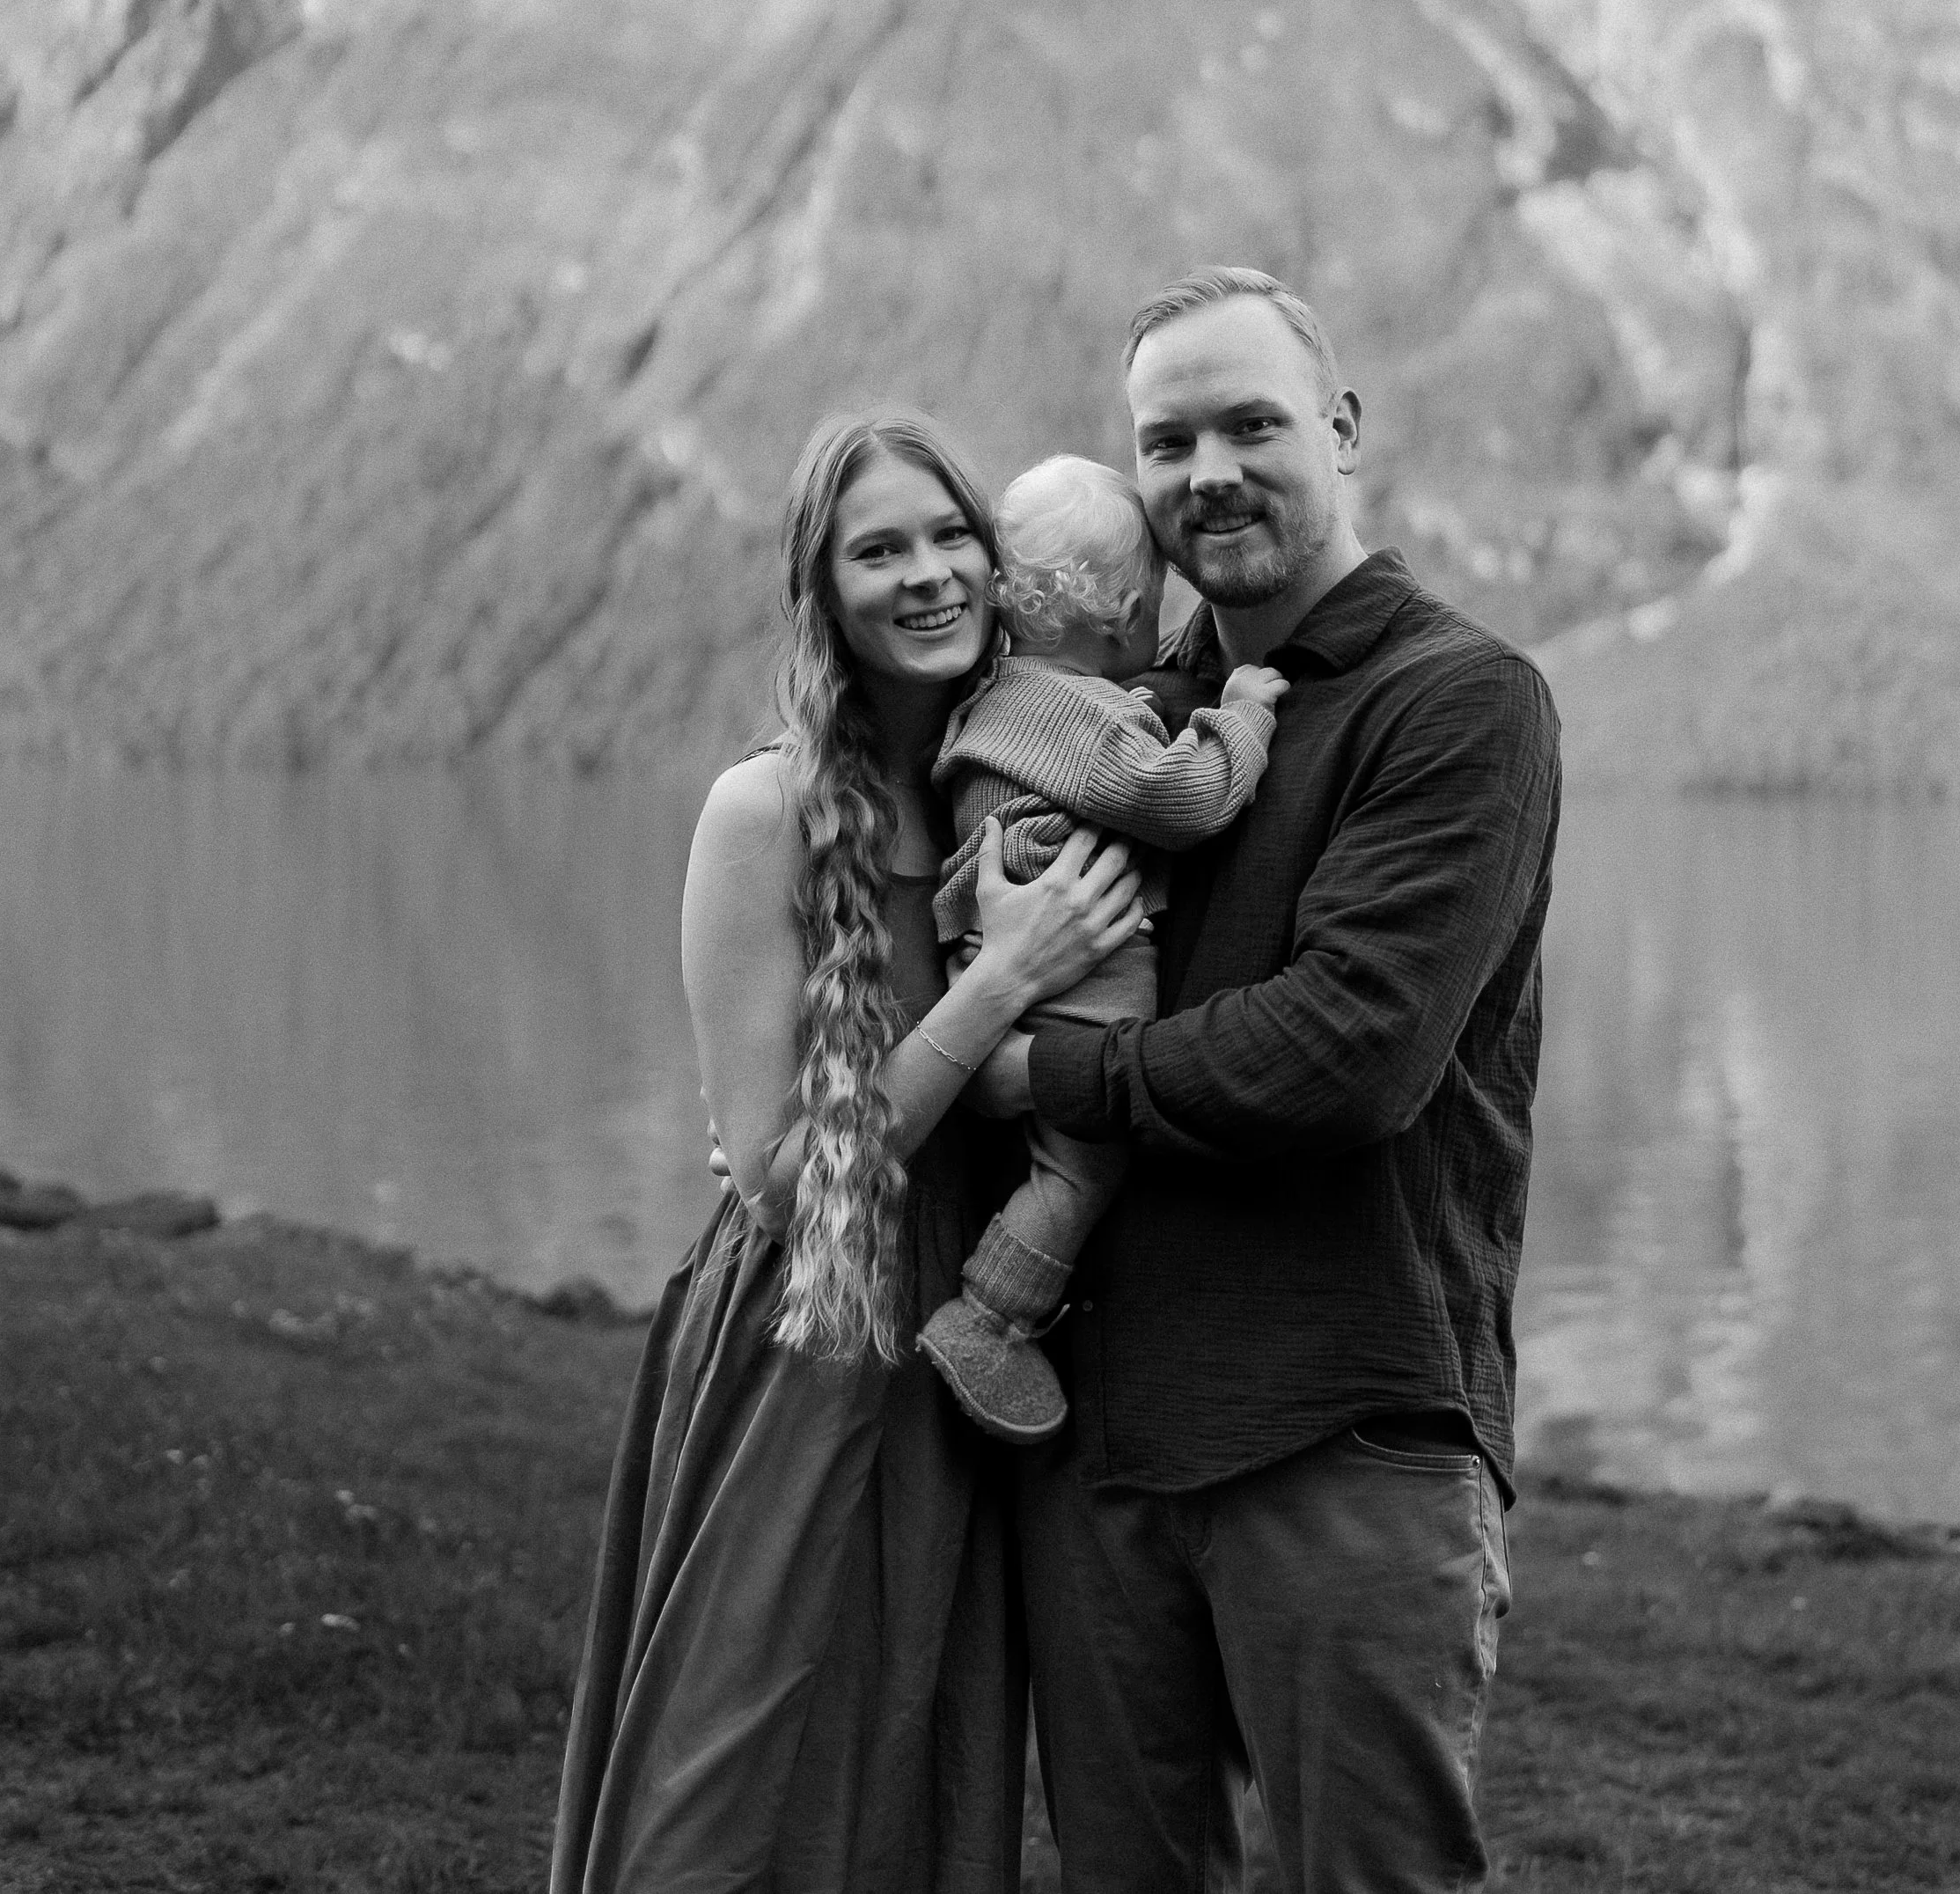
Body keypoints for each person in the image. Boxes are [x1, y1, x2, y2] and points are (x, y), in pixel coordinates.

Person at [993, 268, 1563, 1894]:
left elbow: (1345, 1054)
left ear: (1341, 428)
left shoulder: (1458, 700)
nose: (1207, 470)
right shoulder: (1126, 720)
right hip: (1102, 1444)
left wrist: (1037, 1062)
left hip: (1348, 1432)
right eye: (1165, 439)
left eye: (1251, 422)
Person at [548, 408, 1146, 1894]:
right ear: (820, 590)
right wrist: (1001, 980)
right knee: (739, 1768)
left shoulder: (1010, 775)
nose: (931, 572)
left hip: (959, 1328)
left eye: (956, 538)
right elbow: (769, 1171)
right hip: (802, 1333)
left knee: (913, 1758)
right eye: (881, 547)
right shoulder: (761, 810)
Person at [915, 453, 1288, 1443]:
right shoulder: (1077, 720)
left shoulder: (1006, 695)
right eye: (1152, 601)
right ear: (1121, 608)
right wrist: (1242, 713)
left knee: (1049, 1155)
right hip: (1080, 977)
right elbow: (1182, 797)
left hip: (1014, 962)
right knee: (1082, 1170)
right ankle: (990, 1317)